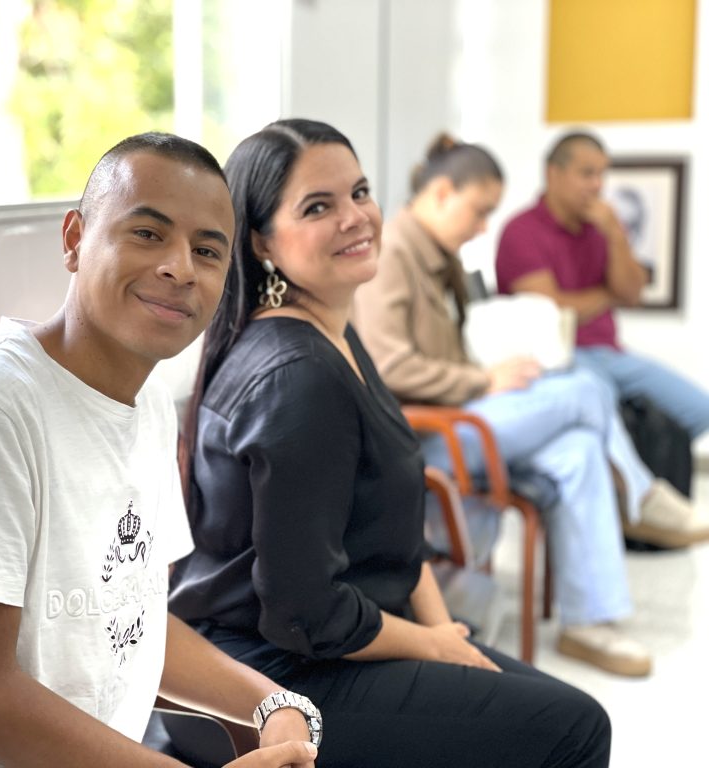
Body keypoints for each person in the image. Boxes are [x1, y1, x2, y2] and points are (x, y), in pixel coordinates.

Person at [0, 132, 321, 768]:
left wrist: (272, 704)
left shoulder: (148, 403)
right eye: (147, 233)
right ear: (74, 239)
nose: (179, 268)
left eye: (207, 251)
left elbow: (128, 624)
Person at [169, 118, 611, 767]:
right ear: (261, 240)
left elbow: (400, 539)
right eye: (318, 206)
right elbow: (305, 612)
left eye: (360, 192)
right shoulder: (298, 375)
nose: (355, 217)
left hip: (339, 642)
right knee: (575, 727)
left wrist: (442, 630)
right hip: (272, 678)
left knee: (552, 706)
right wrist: (434, 647)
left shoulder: (335, 335)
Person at [351, 133, 708, 679]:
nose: (483, 228)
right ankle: (639, 496)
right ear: (442, 193)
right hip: (427, 436)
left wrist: (496, 372)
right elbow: (389, 365)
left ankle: (589, 623)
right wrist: (483, 379)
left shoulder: (440, 258)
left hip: (462, 418)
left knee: (580, 448)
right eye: (479, 211)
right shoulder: (393, 251)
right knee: (585, 389)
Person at [495, 129, 709, 545]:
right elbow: (554, 313)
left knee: (699, 408)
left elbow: (632, 293)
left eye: (601, 175)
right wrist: (608, 294)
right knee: (596, 399)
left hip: (610, 353)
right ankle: (638, 501)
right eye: (586, 173)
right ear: (553, 174)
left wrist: (615, 234)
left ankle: (639, 499)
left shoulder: (600, 230)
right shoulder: (521, 231)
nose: (596, 185)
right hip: (557, 356)